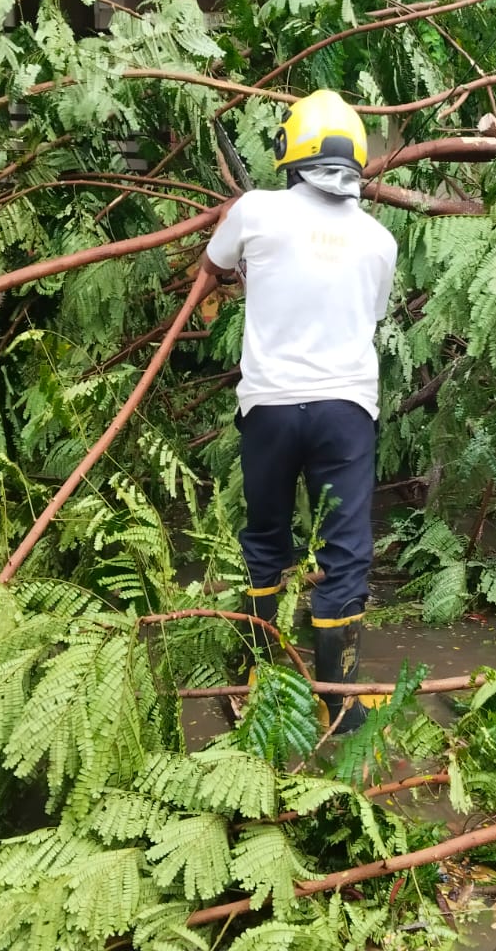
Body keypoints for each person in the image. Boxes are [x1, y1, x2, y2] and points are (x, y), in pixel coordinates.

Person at [201, 90, 397, 733]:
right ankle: (337, 701)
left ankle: (264, 674)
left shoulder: (254, 209)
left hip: (271, 409)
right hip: (345, 410)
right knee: (345, 550)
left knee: (266, 539)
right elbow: (369, 314)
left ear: (293, 153)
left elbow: (215, 263)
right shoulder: (378, 239)